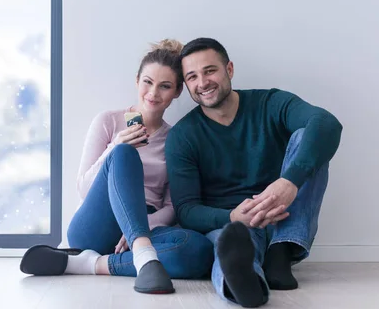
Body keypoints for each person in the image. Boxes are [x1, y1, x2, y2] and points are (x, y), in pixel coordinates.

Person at [20, 39, 214, 294]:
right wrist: (115, 147)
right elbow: (83, 189)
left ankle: (89, 264)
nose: (153, 93)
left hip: (144, 227)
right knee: (124, 154)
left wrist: (139, 229)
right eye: (148, 82)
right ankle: (144, 256)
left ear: (177, 91)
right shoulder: (108, 122)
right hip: (97, 223)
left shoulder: (176, 139)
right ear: (137, 81)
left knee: (199, 251)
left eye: (165, 86)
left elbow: (171, 207)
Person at [166, 38, 343, 307]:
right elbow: (186, 209)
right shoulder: (183, 136)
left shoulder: (269, 102)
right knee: (230, 249)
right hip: (234, 224)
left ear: (230, 69)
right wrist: (232, 215)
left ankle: (281, 251)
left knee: (310, 137)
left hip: (285, 216)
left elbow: (327, 123)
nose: (202, 82)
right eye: (192, 77)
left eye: (210, 70)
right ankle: (248, 285)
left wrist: (288, 183)